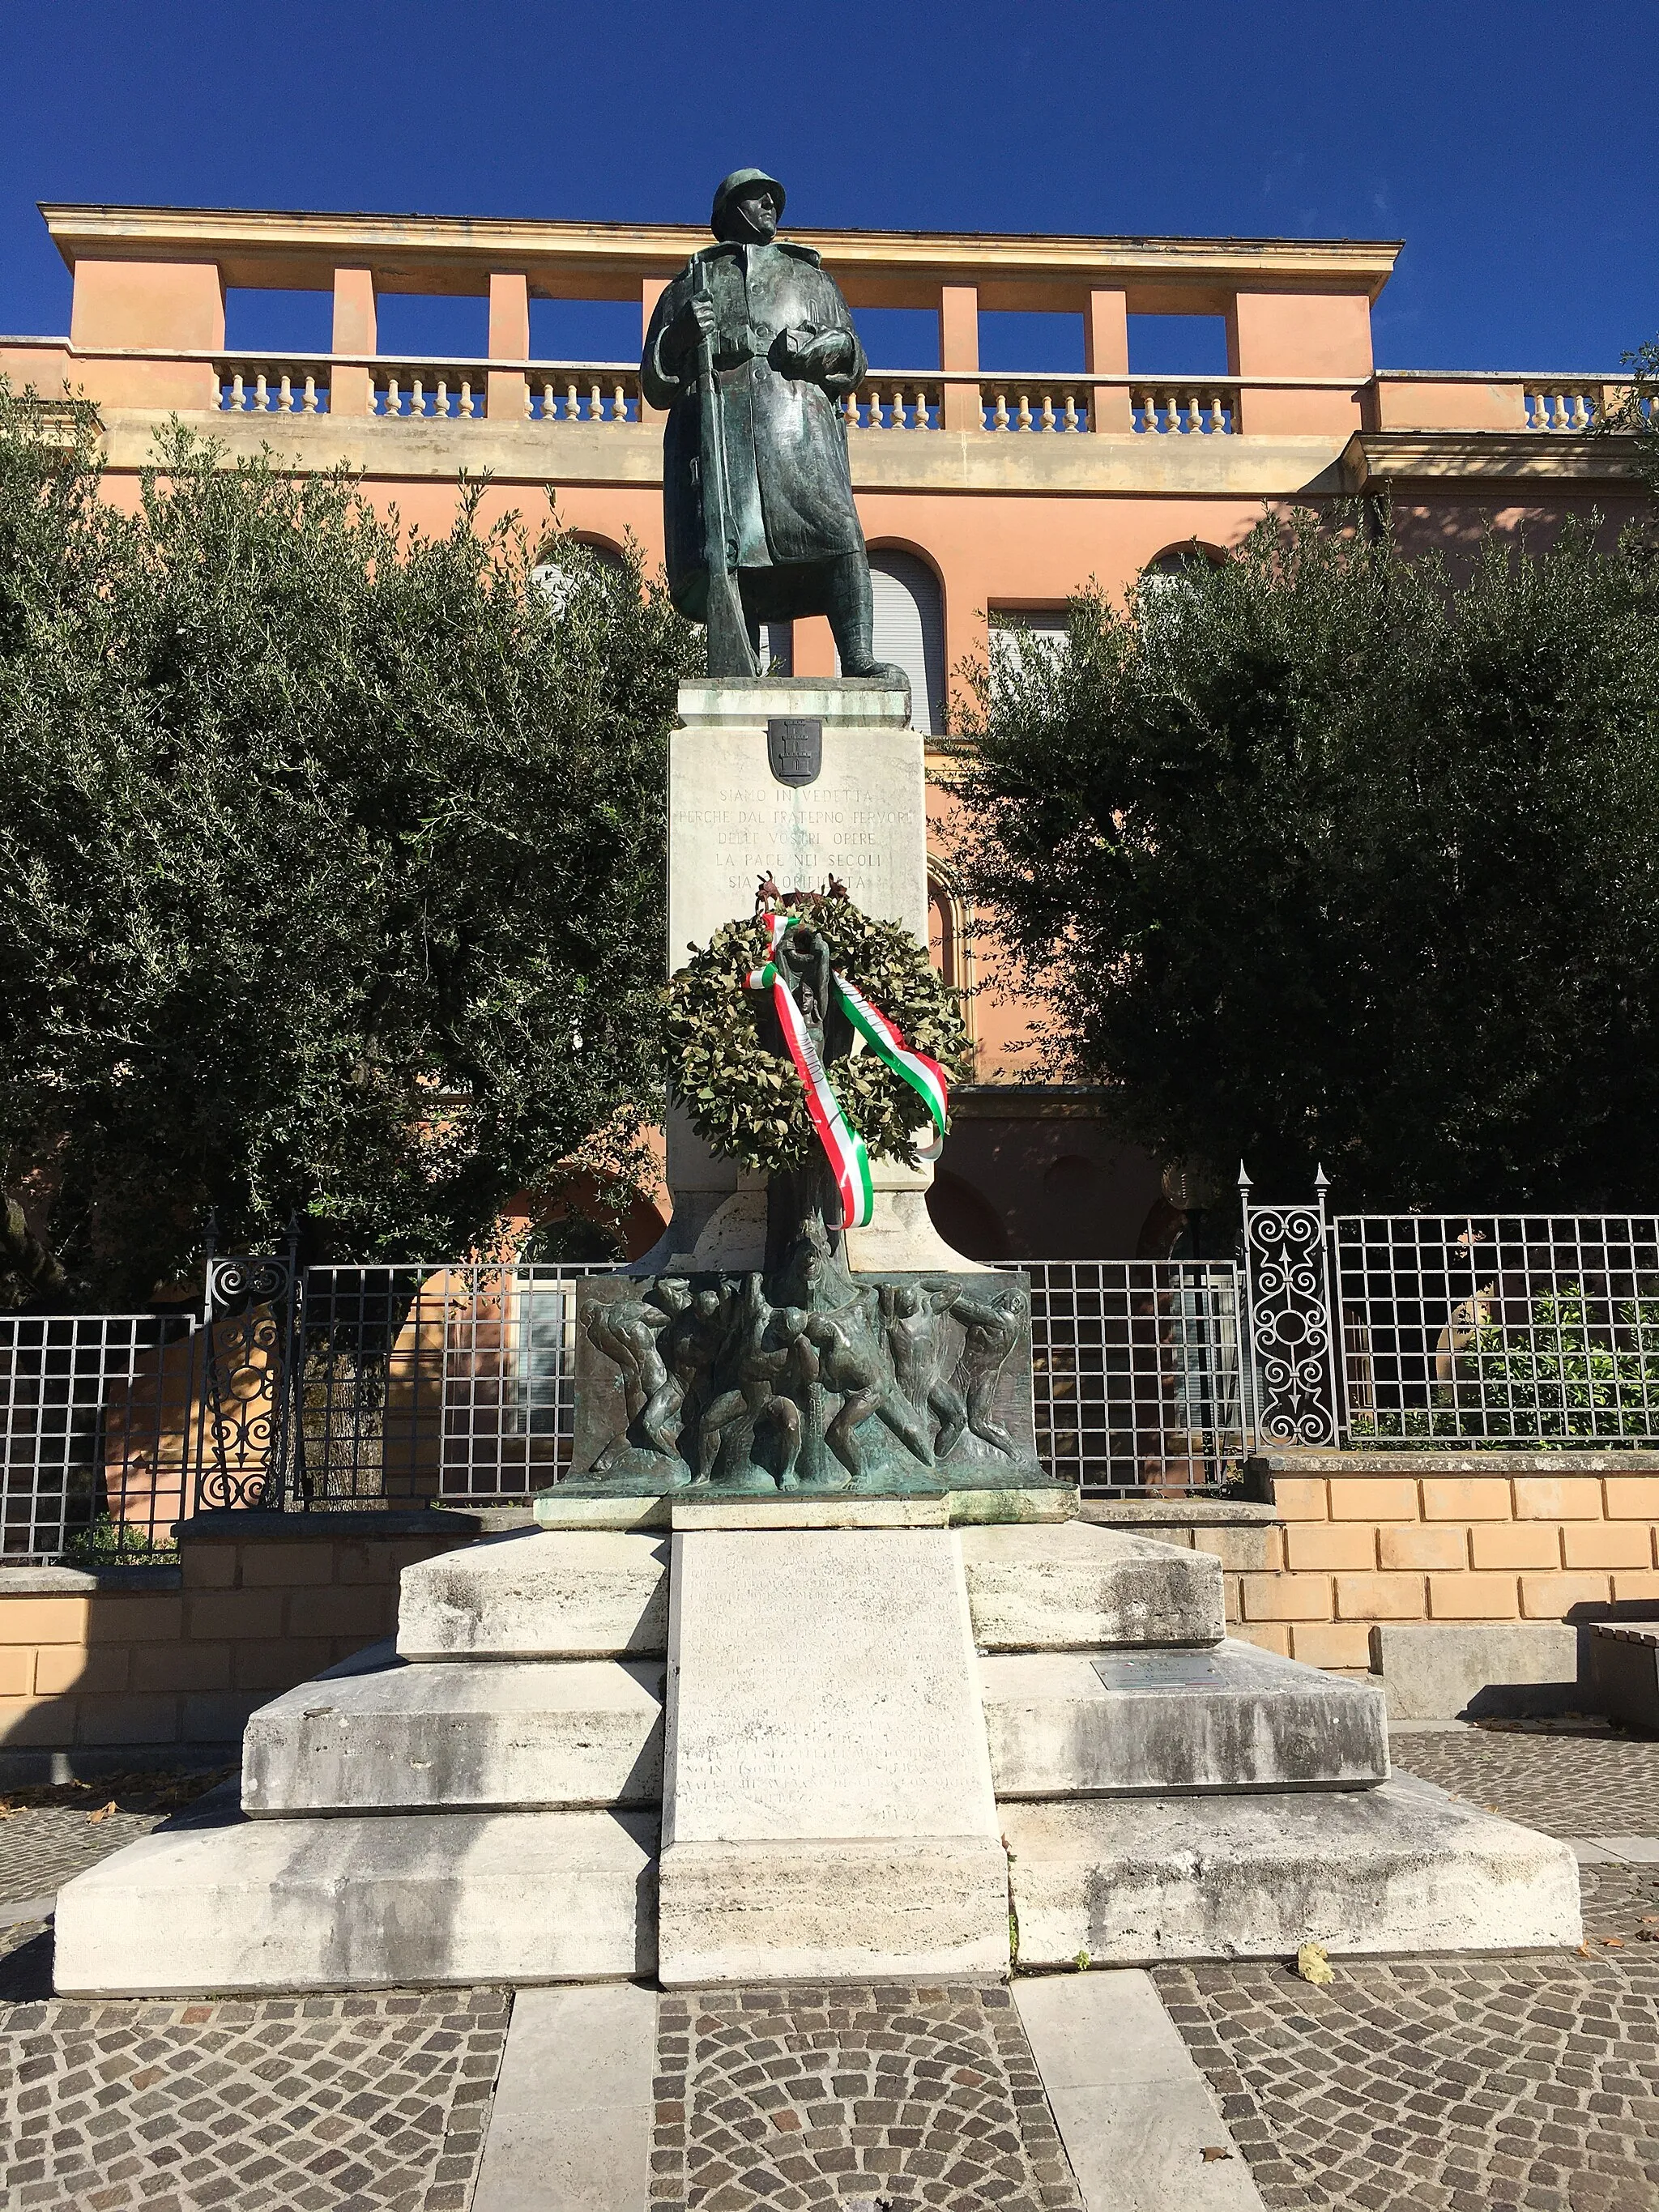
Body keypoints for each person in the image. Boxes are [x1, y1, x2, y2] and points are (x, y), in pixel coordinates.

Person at [642, 168, 906, 684]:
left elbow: (854, 358)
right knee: (737, 544)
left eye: (772, 197)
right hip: (722, 425)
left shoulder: (810, 278)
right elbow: (655, 384)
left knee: (839, 533)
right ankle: (745, 661)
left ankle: (857, 658)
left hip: (798, 425)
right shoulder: (689, 284)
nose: (768, 203)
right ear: (727, 212)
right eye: (753, 196)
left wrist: (824, 348)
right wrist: (678, 339)